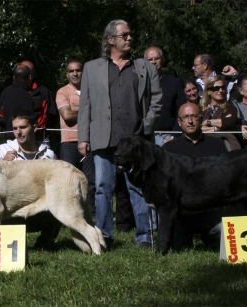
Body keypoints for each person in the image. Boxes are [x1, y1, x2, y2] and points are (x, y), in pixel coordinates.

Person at [77, 19, 163, 249]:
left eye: (129, 34)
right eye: (124, 35)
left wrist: (147, 124)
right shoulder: (91, 67)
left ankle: (144, 235)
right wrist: (83, 137)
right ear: (110, 39)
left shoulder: (145, 66)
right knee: (104, 187)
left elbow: (157, 99)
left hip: (135, 138)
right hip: (102, 137)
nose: (129, 38)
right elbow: (85, 104)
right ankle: (104, 235)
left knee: (137, 186)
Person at [0, 110, 59, 248]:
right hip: (11, 212)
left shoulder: (49, 155)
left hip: (40, 208)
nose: (18, 132)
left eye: (23, 127)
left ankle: (45, 243)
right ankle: (11, 246)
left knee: (58, 206)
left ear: (34, 128)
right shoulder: (2, 150)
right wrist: (2, 163)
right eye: (15, 128)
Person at [163, 102, 227, 250]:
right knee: (179, 248)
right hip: (181, 215)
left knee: (224, 240)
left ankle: (210, 237)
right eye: (186, 117)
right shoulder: (169, 149)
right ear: (179, 122)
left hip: (212, 212)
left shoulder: (217, 145)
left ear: (200, 119)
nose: (190, 121)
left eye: (194, 116)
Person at [55, 59, 95, 214]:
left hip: (90, 140)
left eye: (78, 70)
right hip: (68, 142)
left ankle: (90, 214)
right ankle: (69, 214)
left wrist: (75, 108)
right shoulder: (62, 92)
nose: (75, 73)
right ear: (67, 74)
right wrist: (88, 108)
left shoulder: (92, 90)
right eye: (71, 71)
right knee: (69, 181)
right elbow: (67, 115)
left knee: (91, 180)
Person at [144, 46, 186, 146]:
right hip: (145, 136)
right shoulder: (138, 83)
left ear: (162, 60)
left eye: (157, 58)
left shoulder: (174, 83)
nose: (153, 62)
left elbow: (181, 110)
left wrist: (174, 136)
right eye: (150, 59)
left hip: (168, 136)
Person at [201, 76, 241, 151]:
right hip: (204, 145)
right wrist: (215, 127)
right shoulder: (201, 109)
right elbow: (198, 128)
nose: (220, 90)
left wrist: (207, 122)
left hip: (225, 144)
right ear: (209, 91)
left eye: (223, 88)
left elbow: (228, 122)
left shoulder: (230, 107)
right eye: (216, 88)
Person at [0, 64, 35, 136]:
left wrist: (8, 125)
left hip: (9, 137)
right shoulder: (26, 96)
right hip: (23, 138)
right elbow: (28, 119)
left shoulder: (6, 92)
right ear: (30, 77)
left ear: (14, 77)